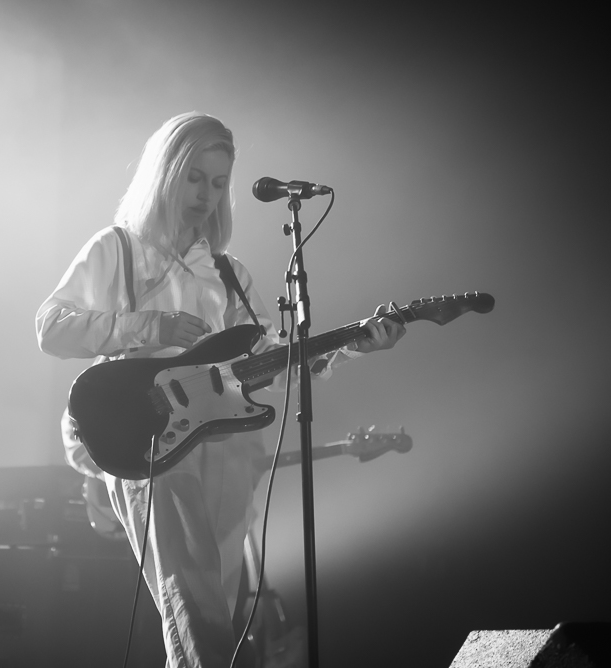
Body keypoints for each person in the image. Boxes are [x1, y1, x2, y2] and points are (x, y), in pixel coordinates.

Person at [36, 112, 404, 668]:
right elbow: (52, 327)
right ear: (165, 173)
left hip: (221, 451)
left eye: (216, 182)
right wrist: (147, 326)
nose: (205, 194)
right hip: (150, 443)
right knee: (195, 614)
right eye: (194, 177)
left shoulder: (228, 274)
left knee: (216, 625)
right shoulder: (118, 248)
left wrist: (354, 344)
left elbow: (268, 362)